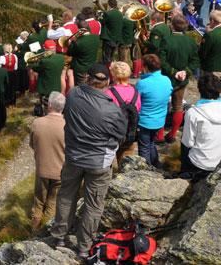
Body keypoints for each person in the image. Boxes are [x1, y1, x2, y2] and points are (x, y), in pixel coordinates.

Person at [49, 64, 127, 258]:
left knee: (67, 195)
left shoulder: (73, 95)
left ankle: (59, 236)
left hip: (74, 157)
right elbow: (121, 135)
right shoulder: (112, 110)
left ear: (87, 78)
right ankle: (84, 247)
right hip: (99, 162)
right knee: (93, 205)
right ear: (108, 82)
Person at [181, 75, 221, 181]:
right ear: (219, 90)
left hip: (199, 163)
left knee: (184, 144)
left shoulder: (193, 112)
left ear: (199, 90)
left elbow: (188, 142)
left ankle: (185, 174)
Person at [160, 16, 200, 143]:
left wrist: (173, 72)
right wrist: (185, 72)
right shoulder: (191, 42)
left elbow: (161, 60)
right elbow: (195, 61)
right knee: (178, 106)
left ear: (172, 25)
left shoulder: (166, 40)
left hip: (166, 78)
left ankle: (159, 135)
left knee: (162, 106)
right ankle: (172, 134)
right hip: (182, 79)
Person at [29, 91, 65, 229]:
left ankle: (34, 228)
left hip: (42, 168)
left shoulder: (37, 123)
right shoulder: (68, 125)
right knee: (53, 202)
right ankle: (46, 230)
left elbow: (32, 145)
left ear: (49, 105)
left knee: (38, 200)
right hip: (61, 171)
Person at [134, 55, 171, 167]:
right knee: (151, 143)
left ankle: (146, 169)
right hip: (159, 120)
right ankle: (156, 163)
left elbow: (135, 102)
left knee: (144, 147)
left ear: (145, 67)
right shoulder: (166, 80)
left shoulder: (142, 84)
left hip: (145, 121)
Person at [106, 61, 141, 162]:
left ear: (113, 75)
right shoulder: (135, 92)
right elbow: (138, 110)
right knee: (126, 162)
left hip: (114, 135)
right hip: (130, 133)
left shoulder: (109, 92)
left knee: (110, 163)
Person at [32, 40, 65, 112]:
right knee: (55, 106)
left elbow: (35, 67)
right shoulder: (61, 58)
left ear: (45, 49)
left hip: (45, 88)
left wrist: (33, 62)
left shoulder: (44, 61)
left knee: (47, 107)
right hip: (57, 86)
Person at [67, 19, 100, 87]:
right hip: (92, 66)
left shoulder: (78, 42)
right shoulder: (96, 38)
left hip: (80, 69)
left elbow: (69, 53)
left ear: (79, 29)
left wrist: (71, 43)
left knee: (81, 88)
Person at [100, 0, 123, 64]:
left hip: (108, 38)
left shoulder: (108, 13)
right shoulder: (120, 14)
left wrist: (100, 17)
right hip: (116, 39)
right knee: (111, 57)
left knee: (106, 57)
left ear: (109, 5)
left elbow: (102, 22)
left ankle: (106, 71)